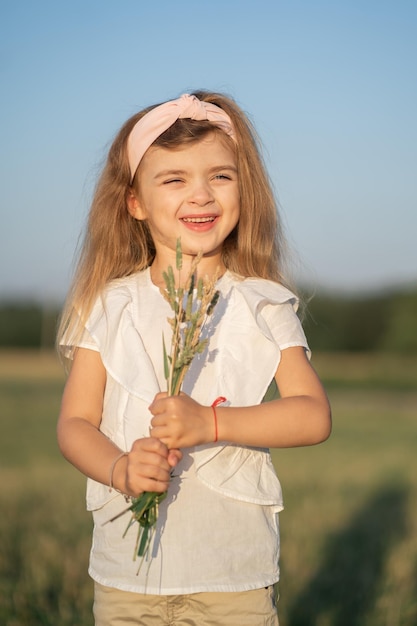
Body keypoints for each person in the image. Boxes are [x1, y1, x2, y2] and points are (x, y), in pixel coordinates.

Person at [57, 90, 331, 626]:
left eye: (221, 177)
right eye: (174, 179)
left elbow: (312, 415)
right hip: (126, 577)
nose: (200, 195)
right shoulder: (108, 305)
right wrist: (119, 468)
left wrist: (210, 421)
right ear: (133, 202)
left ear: (245, 192)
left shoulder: (261, 303)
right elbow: (74, 423)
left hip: (233, 575)